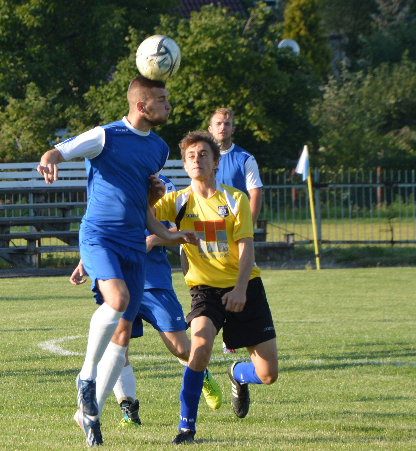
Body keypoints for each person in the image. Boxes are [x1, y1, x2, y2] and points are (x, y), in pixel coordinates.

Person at [37, 75, 198, 447]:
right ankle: (86, 378)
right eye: (161, 99)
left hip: (132, 242)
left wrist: (169, 233)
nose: (168, 105)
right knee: (119, 300)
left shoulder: (158, 149)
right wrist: (49, 159)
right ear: (142, 106)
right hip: (99, 235)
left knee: (122, 337)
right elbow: (58, 151)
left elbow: (143, 207)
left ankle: (87, 415)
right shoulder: (105, 135)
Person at [152, 132, 278, 445]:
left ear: (215, 161)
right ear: (184, 164)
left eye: (203, 154)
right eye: (191, 155)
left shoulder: (235, 199)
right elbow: (141, 215)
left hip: (244, 285)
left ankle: (238, 374)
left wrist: (239, 290)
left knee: (268, 375)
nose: (197, 159)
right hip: (204, 290)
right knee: (200, 349)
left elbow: (247, 249)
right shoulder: (178, 201)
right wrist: (161, 228)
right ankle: (186, 428)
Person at [69, 174, 222, 429]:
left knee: (180, 347)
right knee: (118, 346)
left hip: (153, 281)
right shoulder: (114, 181)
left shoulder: (165, 186)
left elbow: (182, 228)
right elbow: (100, 228)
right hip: (116, 278)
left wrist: (153, 238)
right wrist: (85, 262)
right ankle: (128, 409)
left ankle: (200, 372)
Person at [207, 108, 264, 355]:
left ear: (233, 129)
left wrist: (245, 229)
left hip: (235, 231)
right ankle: (210, 329)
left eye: (227, 124)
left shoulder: (244, 158)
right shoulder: (203, 156)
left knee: (240, 279)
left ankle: (234, 336)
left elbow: (255, 193)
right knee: (208, 281)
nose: (223, 127)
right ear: (210, 128)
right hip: (207, 230)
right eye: (218, 123)